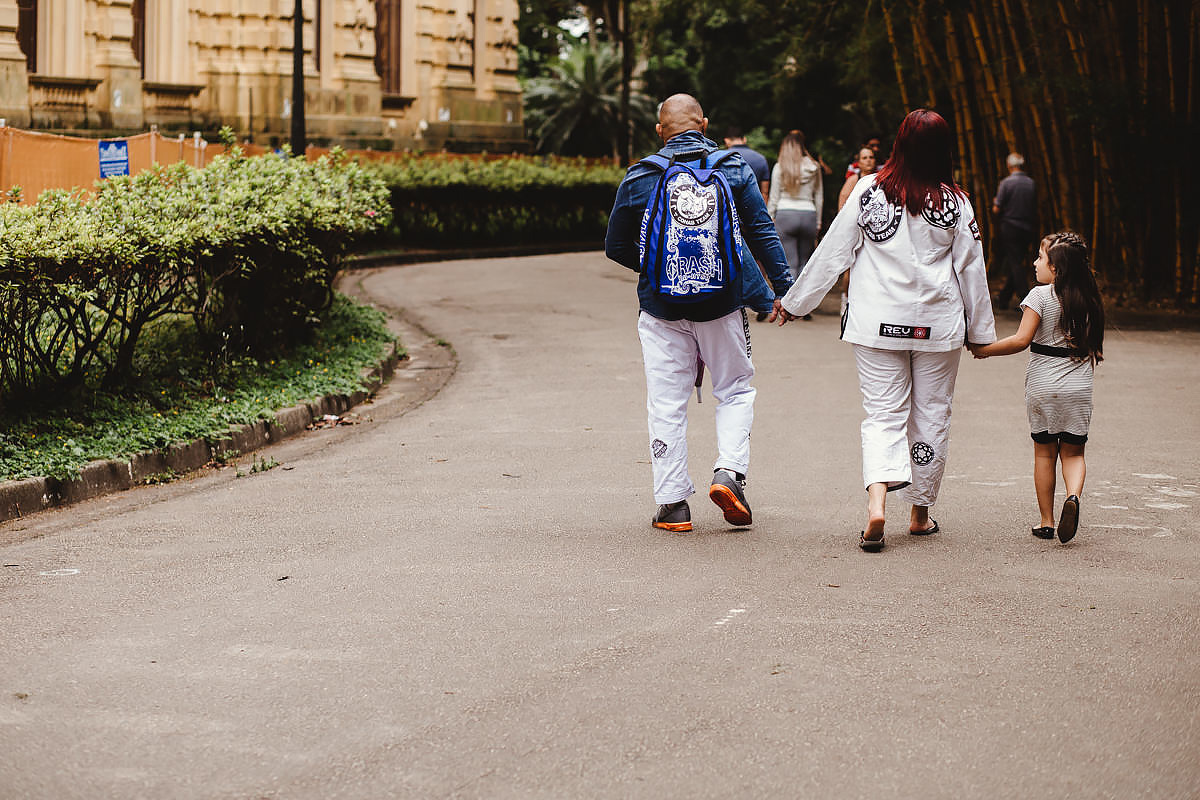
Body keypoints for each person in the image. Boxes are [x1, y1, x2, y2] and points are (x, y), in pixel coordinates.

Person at [776, 108, 996, 552]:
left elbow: (834, 252)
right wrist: (980, 331)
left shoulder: (868, 191)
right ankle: (919, 514)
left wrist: (796, 303)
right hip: (936, 326)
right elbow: (972, 270)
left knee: (883, 415)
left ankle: (876, 504)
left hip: (876, 324)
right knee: (932, 414)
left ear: (898, 145)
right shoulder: (956, 202)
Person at [605, 94, 793, 533]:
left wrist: (656, 268)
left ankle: (672, 505)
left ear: (659, 130)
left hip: (659, 309)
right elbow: (761, 229)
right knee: (736, 389)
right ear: (704, 124)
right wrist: (784, 290)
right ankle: (729, 473)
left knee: (667, 402)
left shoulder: (641, 175)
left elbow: (615, 246)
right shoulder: (733, 168)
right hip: (722, 305)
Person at [968, 231, 1104, 544]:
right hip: (1079, 385)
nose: (1035, 263)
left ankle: (1046, 521)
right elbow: (1093, 345)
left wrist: (983, 349)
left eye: (1040, 258)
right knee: (1073, 452)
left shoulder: (1040, 296)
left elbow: (1020, 340)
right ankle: (1073, 497)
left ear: (1056, 269)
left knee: (1045, 454)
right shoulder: (1089, 297)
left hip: (1044, 385)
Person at [767, 130, 824, 292]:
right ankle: (803, 302)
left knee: (790, 262)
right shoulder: (814, 167)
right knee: (805, 262)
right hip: (808, 214)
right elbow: (819, 196)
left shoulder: (779, 167)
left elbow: (774, 196)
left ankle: (791, 301)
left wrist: (771, 217)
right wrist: (818, 221)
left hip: (785, 214)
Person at [992, 152, 1038, 309]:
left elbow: (996, 208)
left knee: (1015, 263)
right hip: (1027, 227)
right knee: (1017, 262)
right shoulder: (1031, 183)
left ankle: (1026, 299)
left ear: (1009, 165)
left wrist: (995, 203)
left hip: (1010, 227)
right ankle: (1003, 298)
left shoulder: (1006, 183)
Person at [723, 126, 770, 199]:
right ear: (744, 139)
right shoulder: (761, 159)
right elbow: (765, 192)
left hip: (729, 206)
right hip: (753, 206)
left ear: (726, 141)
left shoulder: (722, 158)